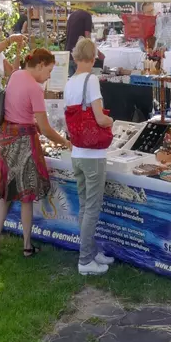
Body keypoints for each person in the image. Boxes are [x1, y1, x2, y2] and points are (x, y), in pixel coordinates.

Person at [0, 48, 71, 260]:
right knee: (25, 198)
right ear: (40, 65)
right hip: (24, 142)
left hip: (6, 140)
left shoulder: (15, 75)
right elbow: (46, 128)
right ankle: (26, 246)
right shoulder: (35, 88)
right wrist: (66, 142)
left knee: (4, 197)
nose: (49, 76)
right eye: (49, 70)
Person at [64, 37, 115, 275]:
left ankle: (91, 252)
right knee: (92, 208)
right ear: (93, 58)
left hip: (77, 152)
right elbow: (99, 117)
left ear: (75, 57)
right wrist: (110, 120)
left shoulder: (69, 83)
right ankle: (85, 260)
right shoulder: (92, 80)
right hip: (93, 155)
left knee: (85, 206)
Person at [65, 9, 98, 76]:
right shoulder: (87, 16)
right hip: (80, 56)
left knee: (72, 80)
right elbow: (87, 37)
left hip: (68, 53)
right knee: (82, 80)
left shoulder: (72, 15)